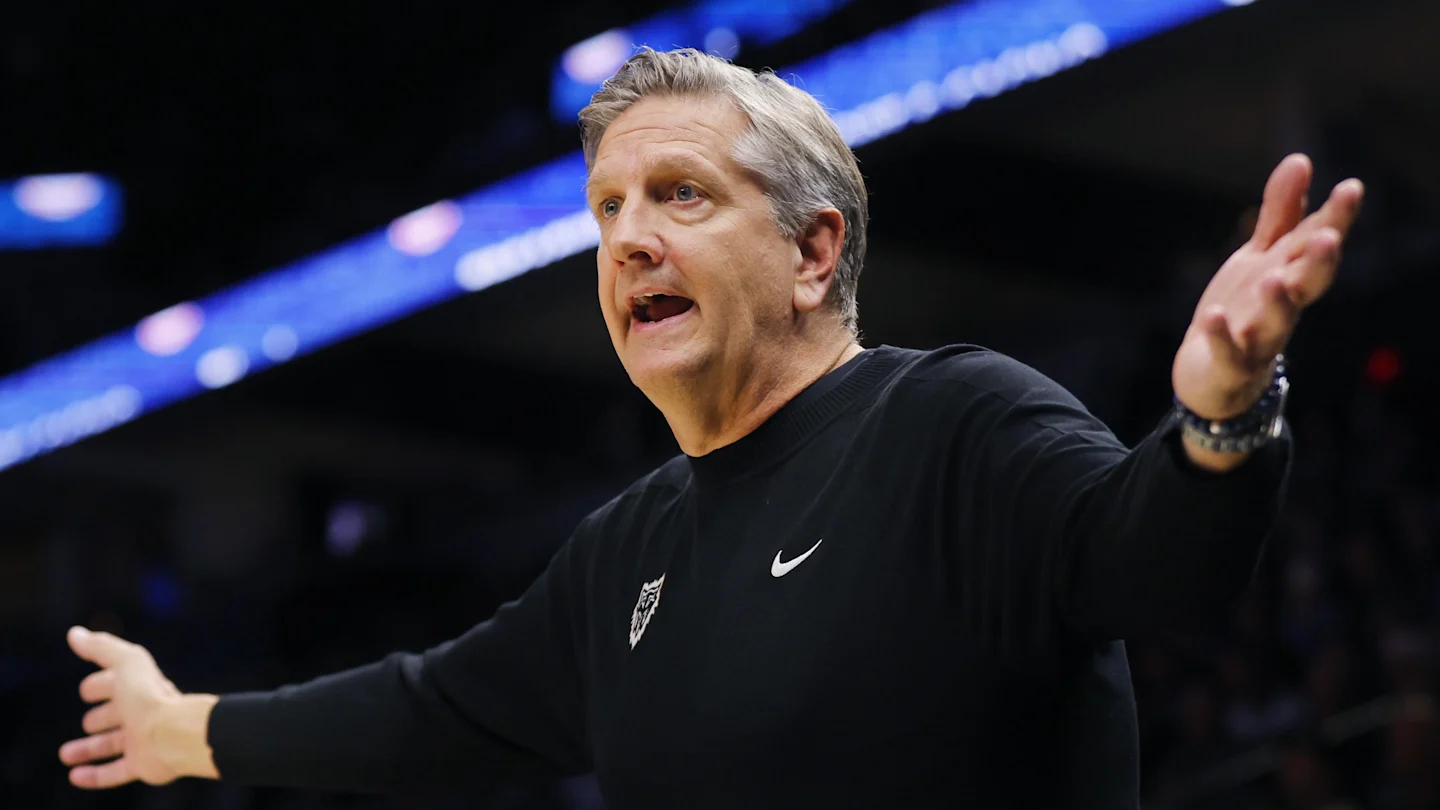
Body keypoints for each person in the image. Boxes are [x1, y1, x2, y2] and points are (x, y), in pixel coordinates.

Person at [58, 47, 1365, 808]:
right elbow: (426, 710)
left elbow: (1160, 562)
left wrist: (1223, 410)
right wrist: (189, 728)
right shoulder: (621, 555)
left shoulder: (952, 420)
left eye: (679, 194)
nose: (629, 238)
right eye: (609, 209)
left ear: (813, 250)